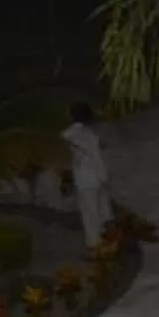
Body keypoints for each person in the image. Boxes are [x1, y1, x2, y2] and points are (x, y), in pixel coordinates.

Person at [63, 102, 112, 247]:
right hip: (95, 176)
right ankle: (98, 243)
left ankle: (97, 243)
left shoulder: (80, 133)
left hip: (89, 178)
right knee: (97, 212)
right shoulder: (80, 134)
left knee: (92, 214)